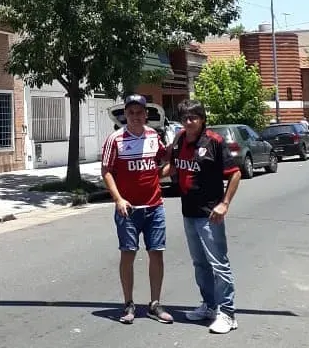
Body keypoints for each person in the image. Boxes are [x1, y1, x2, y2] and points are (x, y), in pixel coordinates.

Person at [163, 99, 241, 334]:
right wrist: (151, 177)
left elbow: (235, 173)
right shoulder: (178, 140)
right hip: (189, 212)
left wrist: (225, 204)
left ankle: (228, 314)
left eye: (193, 118)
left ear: (202, 119)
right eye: (185, 118)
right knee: (200, 264)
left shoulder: (214, 142)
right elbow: (173, 167)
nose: (189, 122)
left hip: (210, 214)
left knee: (219, 264)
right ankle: (209, 306)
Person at [101, 93, 173, 325]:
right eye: (130, 113)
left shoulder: (154, 135)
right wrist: (119, 199)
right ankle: (128, 303)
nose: (135, 116)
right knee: (128, 254)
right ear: (125, 115)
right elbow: (107, 171)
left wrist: (166, 171)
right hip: (128, 210)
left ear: (145, 114)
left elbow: (163, 160)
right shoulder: (115, 139)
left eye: (139, 112)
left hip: (154, 207)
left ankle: (154, 304)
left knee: (156, 253)